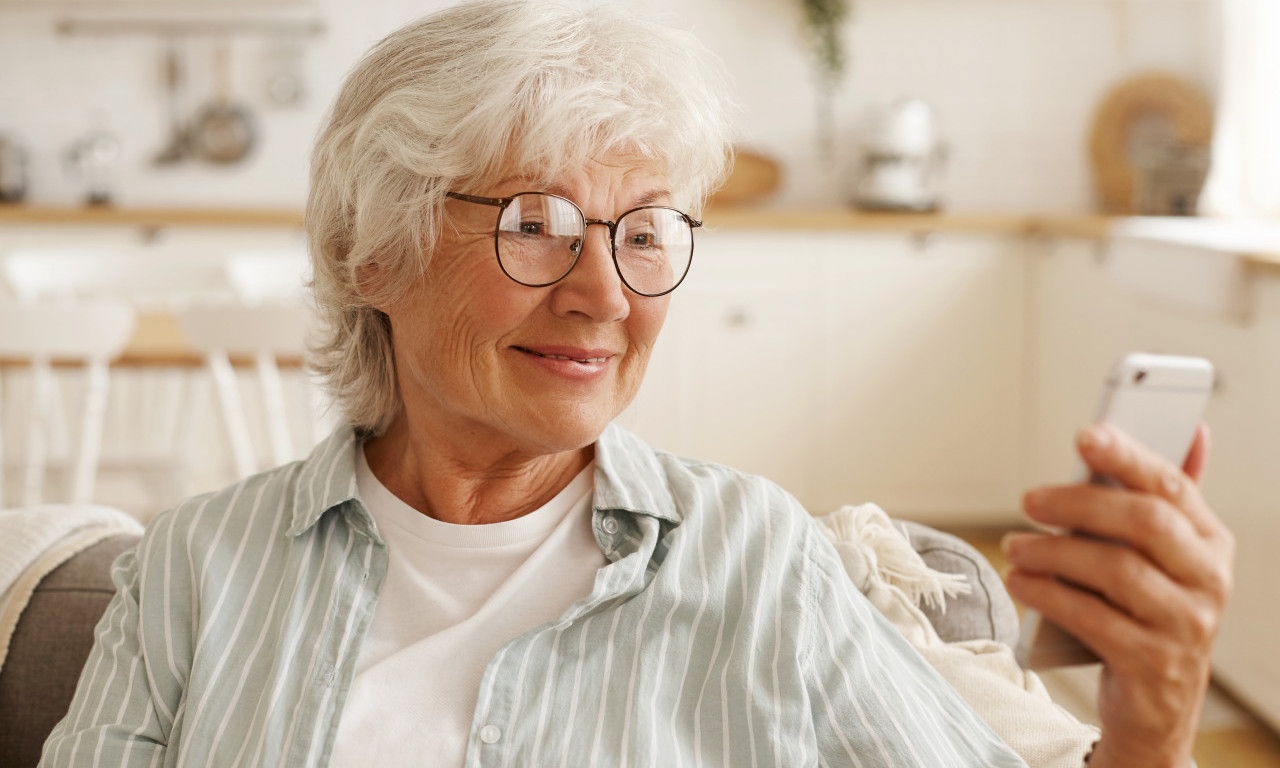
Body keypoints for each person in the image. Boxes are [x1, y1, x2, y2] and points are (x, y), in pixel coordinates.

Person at [41, 1, 1233, 766]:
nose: (605, 293)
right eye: (537, 223)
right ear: (373, 249)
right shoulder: (191, 572)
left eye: (647, 230)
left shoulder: (757, 558)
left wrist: (1149, 732)